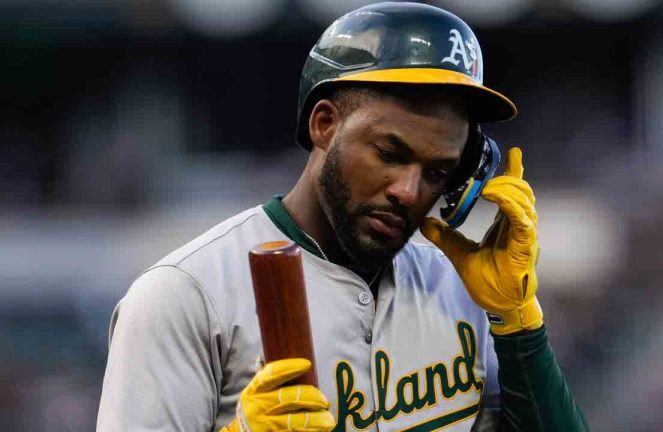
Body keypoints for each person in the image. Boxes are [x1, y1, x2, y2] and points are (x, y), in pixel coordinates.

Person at [96, 2, 588, 431]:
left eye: (437, 172)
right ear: (324, 123)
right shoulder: (186, 295)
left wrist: (519, 324)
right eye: (389, 153)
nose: (408, 190)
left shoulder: (460, 290)